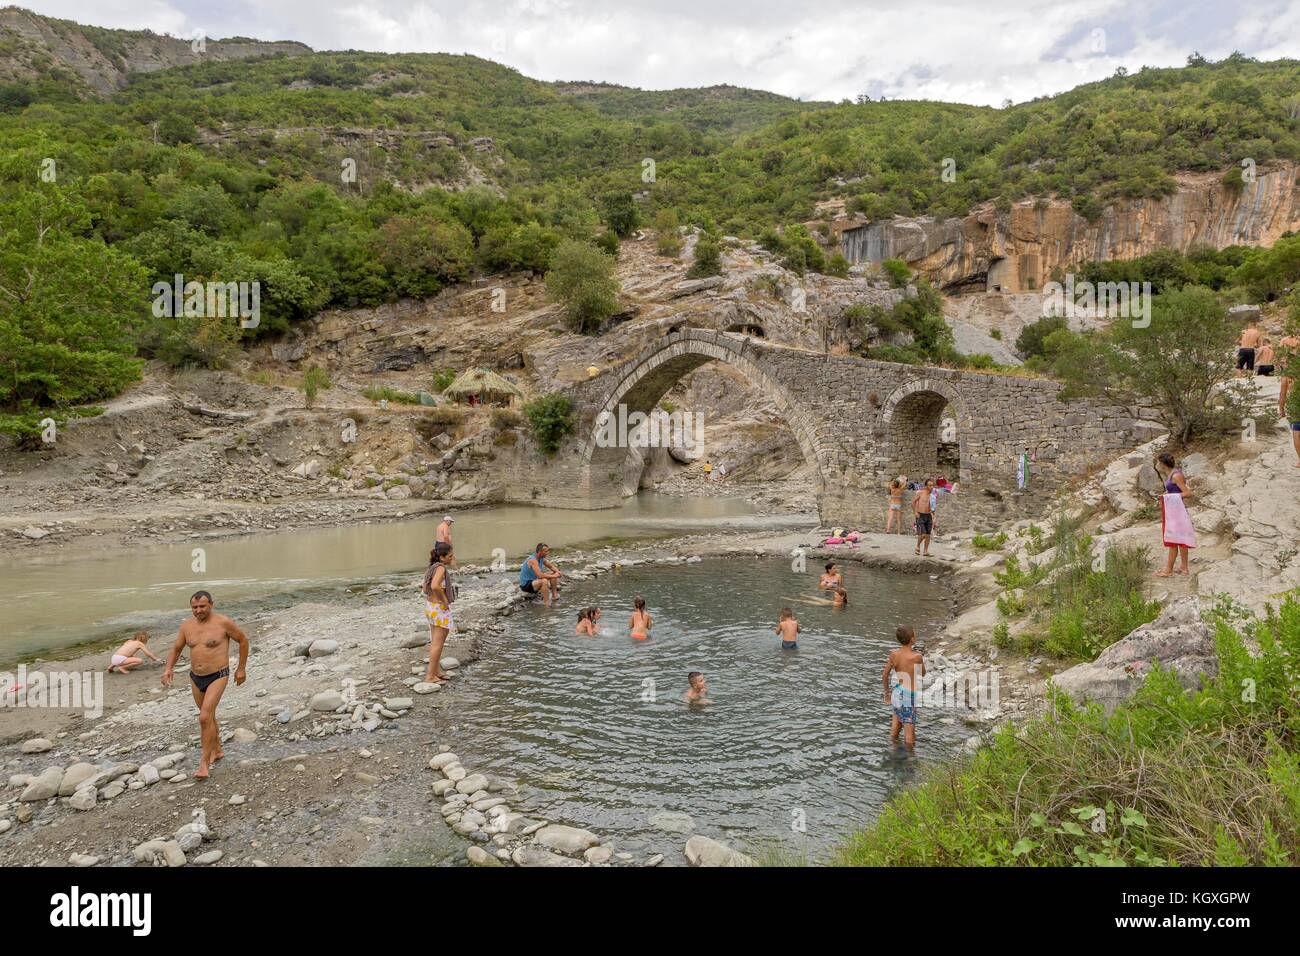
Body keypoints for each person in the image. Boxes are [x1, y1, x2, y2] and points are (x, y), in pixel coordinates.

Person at [161, 591, 249, 780]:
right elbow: (176, 648)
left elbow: (243, 640)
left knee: (204, 718)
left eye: (202, 606)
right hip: (195, 677)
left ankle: (203, 763)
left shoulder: (223, 623)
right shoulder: (187, 626)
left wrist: (241, 668)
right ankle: (217, 750)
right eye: (195, 607)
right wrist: (168, 668)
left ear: (211, 604)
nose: (198, 610)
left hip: (218, 674)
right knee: (208, 717)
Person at [1153, 452, 1195, 577]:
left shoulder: (1176, 475)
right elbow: (1171, 490)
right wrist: (1165, 495)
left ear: (1162, 463)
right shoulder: (1169, 474)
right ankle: (1184, 567)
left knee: (1174, 539)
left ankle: (1168, 570)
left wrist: (1169, 497)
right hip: (1172, 509)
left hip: (1177, 511)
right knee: (1180, 538)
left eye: (1158, 462)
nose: (1157, 464)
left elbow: (1187, 493)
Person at [884, 625, 925, 750]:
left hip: (897, 692)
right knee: (909, 737)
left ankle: (892, 752)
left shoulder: (893, 654)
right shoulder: (917, 657)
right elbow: (922, 673)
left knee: (895, 728)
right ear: (912, 639)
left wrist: (887, 694)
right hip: (908, 696)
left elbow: (885, 674)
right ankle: (909, 763)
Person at [421, 542, 456, 683]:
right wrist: (444, 600)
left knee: (435, 641)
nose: (451, 558)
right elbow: (435, 585)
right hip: (439, 608)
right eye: (450, 556)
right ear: (442, 557)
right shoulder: (440, 568)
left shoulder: (432, 567)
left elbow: (425, 586)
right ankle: (430, 676)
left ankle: (435, 671)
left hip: (430, 607)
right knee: (438, 643)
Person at [1278, 334, 1300, 466]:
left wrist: (1281, 409)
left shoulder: (1286, 377)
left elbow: (1282, 395)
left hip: (1294, 403)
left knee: (1297, 431)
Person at [912, 479, 934, 556]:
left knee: (928, 535)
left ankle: (925, 551)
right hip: (920, 515)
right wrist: (915, 512)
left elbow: (933, 508)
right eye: (930, 485)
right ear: (926, 486)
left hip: (929, 515)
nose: (932, 487)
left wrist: (934, 518)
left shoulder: (932, 495)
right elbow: (913, 502)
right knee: (923, 534)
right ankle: (917, 546)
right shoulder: (920, 493)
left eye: (932, 485)